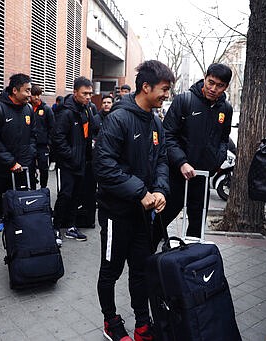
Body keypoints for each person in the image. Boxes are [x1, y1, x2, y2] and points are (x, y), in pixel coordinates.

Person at [93, 60, 174, 341]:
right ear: (146, 87)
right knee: (111, 270)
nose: (167, 95)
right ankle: (110, 320)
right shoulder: (118, 118)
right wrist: (141, 192)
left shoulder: (155, 122)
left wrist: (161, 190)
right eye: (164, 90)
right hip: (117, 213)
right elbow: (104, 166)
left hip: (144, 215)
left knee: (141, 269)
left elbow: (162, 159)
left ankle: (142, 323)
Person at [157, 63, 233, 244]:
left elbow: (223, 139)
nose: (213, 89)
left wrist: (217, 160)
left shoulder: (226, 109)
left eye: (219, 86)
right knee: (159, 222)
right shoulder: (184, 100)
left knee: (196, 230)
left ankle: (190, 267)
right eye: (210, 82)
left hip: (202, 178)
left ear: (226, 87)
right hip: (176, 176)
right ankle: (148, 262)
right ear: (205, 78)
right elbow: (167, 136)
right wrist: (181, 162)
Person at [0, 73, 36, 254]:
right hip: (1, 170)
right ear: (14, 90)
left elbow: (32, 137)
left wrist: (27, 160)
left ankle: (18, 236)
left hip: (22, 169)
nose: (30, 93)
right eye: (27, 90)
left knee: (20, 204)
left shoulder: (28, 110)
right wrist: (11, 162)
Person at [52, 76, 95, 244]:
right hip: (68, 164)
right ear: (75, 92)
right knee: (65, 195)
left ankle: (71, 226)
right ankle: (56, 228)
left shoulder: (86, 109)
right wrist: (70, 156)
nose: (88, 97)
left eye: (90, 93)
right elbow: (57, 139)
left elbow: (87, 134)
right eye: (85, 93)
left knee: (77, 196)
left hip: (81, 163)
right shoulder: (66, 112)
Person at [29, 84, 55, 189]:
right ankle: (33, 189)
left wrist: (49, 143)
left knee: (43, 168)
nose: (37, 97)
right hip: (30, 145)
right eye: (34, 95)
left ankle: (43, 188)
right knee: (30, 168)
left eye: (38, 95)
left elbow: (52, 127)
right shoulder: (27, 108)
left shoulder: (46, 109)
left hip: (42, 145)